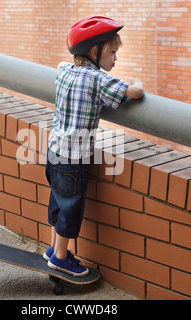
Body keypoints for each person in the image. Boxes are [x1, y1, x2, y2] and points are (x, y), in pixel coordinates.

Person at [44, 15, 144, 276]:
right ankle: (61, 258)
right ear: (93, 51)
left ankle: (54, 249)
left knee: (58, 200)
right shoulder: (98, 80)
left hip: (54, 150)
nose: (115, 59)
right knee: (70, 208)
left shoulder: (63, 70)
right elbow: (135, 93)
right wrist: (138, 83)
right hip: (73, 158)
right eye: (112, 52)